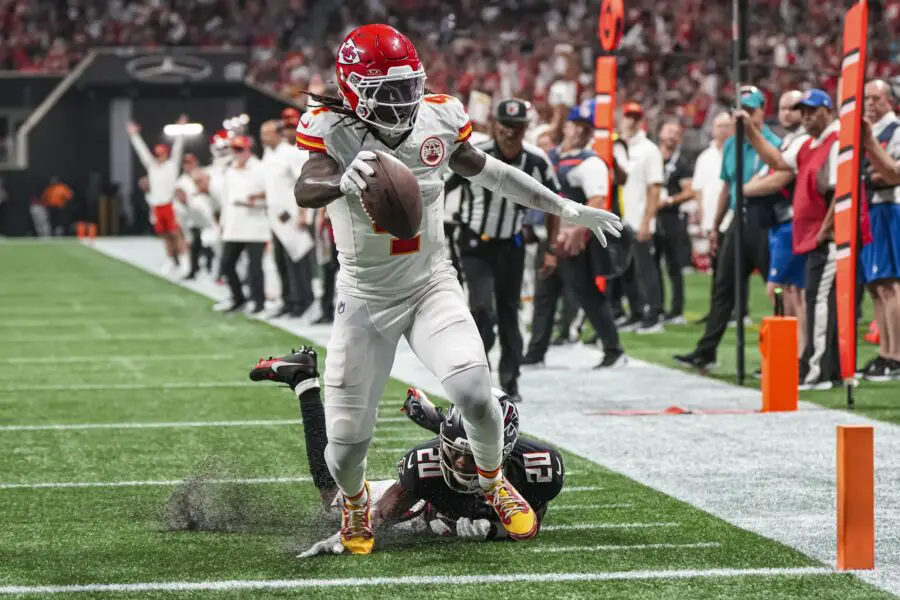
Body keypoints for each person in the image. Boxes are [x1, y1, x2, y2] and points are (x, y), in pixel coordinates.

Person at [292, 24, 621, 554]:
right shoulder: (330, 127)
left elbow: (492, 172)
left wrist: (565, 208)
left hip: (430, 284)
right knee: (346, 447)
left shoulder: (439, 116)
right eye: (387, 91)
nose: (403, 101)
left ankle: (493, 482)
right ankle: (355, 505)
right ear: (354, 90)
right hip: (365, 297)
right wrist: (340, 180)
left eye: (408, 86)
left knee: (475, 393)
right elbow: (306, 187)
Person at [248, 347, 564, 556]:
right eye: (455, 451)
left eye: (473, 454)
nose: (462, 463)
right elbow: (379, 517)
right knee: (334, 502)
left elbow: (533, 516)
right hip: (427, 505)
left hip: (452, 501)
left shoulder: (539, 466)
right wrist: (348, 534)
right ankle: (304, 380)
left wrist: (495, 530)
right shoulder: (427, 464)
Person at [741, 89, 867, 390]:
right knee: (820, 300)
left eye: (812, 111)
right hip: (813, 236)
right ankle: (829, 367)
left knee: (818, 300)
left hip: (830, 238)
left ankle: (818, 370)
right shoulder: (810, 144)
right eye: (804, 112)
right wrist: (750, 132)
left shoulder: (837, 143)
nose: (807, 117)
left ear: (828, 111)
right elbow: (778, 161)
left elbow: (842, 192)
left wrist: (825, 230)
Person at [446, 98, 560, 403]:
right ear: (495, 124)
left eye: (516, 126)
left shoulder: (537, 161)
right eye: (504, 125)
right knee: (481, 308)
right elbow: (440, 187)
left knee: (510, 312)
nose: (509, 132)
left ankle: (510, 382)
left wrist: (551, 250)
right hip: (474, 244)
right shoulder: (472, 153)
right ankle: (478, 380)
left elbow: (554, 206)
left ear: (526, 128)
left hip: (512, 243)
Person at [674, 87, 774, 371]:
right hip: (736, 222)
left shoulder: (771, 142)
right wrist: (716, 225)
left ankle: (782, 354)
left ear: (761, 112)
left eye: (750, 110)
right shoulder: (731, 145)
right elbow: (726, 187)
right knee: (722, 288)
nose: (744, 116)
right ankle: (706, 352)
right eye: (739, 110)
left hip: (765, 221)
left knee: (775, 288)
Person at [536, 99, 627, 368]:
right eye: (577, 125)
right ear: (567, 126)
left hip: (572, 240)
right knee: (545, 294)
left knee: (585, 293)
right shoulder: (552, 157)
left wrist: (579, 230)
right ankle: (535, 351)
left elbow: (598, 200)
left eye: (586, 128)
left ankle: (613, 348)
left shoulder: (591, 163)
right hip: (550, 235)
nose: (580, 132)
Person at [743, 90, 808, 360]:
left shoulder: (800, 142)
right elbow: (769, 172)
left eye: (792, 108)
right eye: (782, 108)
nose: (785, 113)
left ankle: (800, 351)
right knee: (790, 290)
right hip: (779, 223)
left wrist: (746, 189)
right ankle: (793, 352)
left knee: (782, 289)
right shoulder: (787, 142)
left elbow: (780, 175)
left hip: (790, 221)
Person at [858, 80, 900, 380]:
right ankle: (885, 351)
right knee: (875, 286)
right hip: (870, 210)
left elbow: (891, 174)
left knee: (889, 284)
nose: (870, 104)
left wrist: (869, 175)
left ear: (891, 101)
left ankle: (896, 356)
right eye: (867, 99)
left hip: (887, 209)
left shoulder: (894, 131)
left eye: (876, 98)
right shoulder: (868, 132)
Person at [618, 101, 665, 333]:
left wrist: (648, 220)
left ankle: (654, 314)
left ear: (641, 120)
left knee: (646, 269)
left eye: (635, 117)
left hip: (639, 219)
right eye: (628, 116)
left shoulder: (649, 150)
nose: (631, 121)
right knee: (626, 270)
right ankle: (636, 312)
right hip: (621, 219)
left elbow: (654, 188)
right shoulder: (618, 146)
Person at [261, 119, 313, 318]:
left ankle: (303, 300)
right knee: (280, 261)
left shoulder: (290, 153)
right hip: (275, 217)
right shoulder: (267, 156)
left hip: (291, 215)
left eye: (266, 133)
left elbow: (303, 181)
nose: (263, 137)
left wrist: (303, 213)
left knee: (298, 258)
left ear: (278, 133)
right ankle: (288, 300)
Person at [128, 115, 189, 275]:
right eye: (157, 154)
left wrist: (181, 129)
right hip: (157, 204)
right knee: (164, 235)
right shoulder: (152, 167)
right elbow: (142, 153)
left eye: (161, 154)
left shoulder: (172, 165)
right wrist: (134, 135)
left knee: (176, 234)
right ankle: (170, 260)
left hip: (170, 204)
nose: (158, 157)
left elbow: (178, 148)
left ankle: (184, 261)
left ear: (166, 154)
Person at [216, 134, 269, 314]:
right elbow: (225, 199)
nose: (237, 153)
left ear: (248, 150)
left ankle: (258, 301)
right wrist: (223, 222)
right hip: (233, 224)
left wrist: (251, 201)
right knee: (226, 264)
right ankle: (238, 298)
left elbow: (269, 194)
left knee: (255, 267)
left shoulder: (260, 168)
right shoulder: (230, 170)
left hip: (255, 224)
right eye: (235, 150)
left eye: (240, 149)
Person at [655, 121, 695, 324]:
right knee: (652, 266)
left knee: (673, 265)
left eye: (676, 133)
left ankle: (677, 310)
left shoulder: (682, 162)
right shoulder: (651, 157)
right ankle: (657, 307)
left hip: (671, 217)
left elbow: (689, 191)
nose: (672, 135)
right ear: (660, 133)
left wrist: (670, 200)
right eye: (669, 130)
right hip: (652, 215)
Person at [174, 153, 215, 279]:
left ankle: (212, 269)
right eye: (186, 163)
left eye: (190, 162)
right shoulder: (181, 181)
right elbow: (181, 200)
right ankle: (193, 270)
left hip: (210, 214)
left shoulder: (205, 174)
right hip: (193, 217)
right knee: (195, 244)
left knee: (212, 243)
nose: (188, 165)